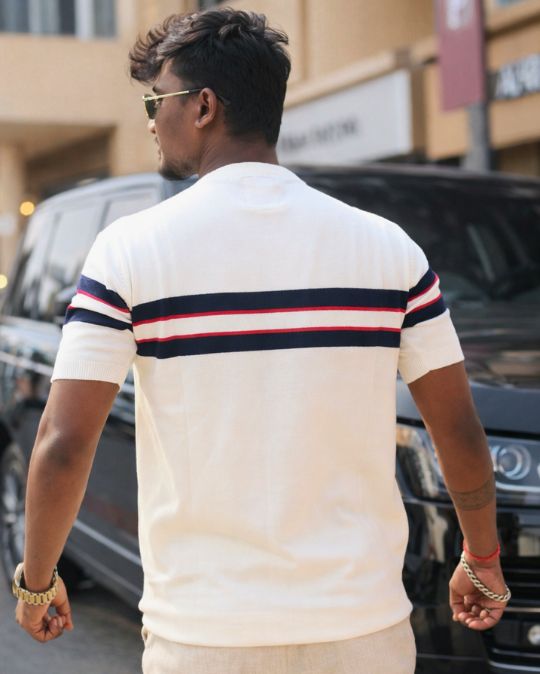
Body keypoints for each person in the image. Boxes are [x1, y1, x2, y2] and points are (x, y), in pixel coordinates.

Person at [14, 8, 510, 674]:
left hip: (204, 637)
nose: (151, 121)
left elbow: (64, 441)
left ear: (203, 107)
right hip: (362, 631)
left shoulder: (130, 251)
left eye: (156, 101)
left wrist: (37, 580)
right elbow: (459, 431)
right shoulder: (388, 249)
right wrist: (481, 558)